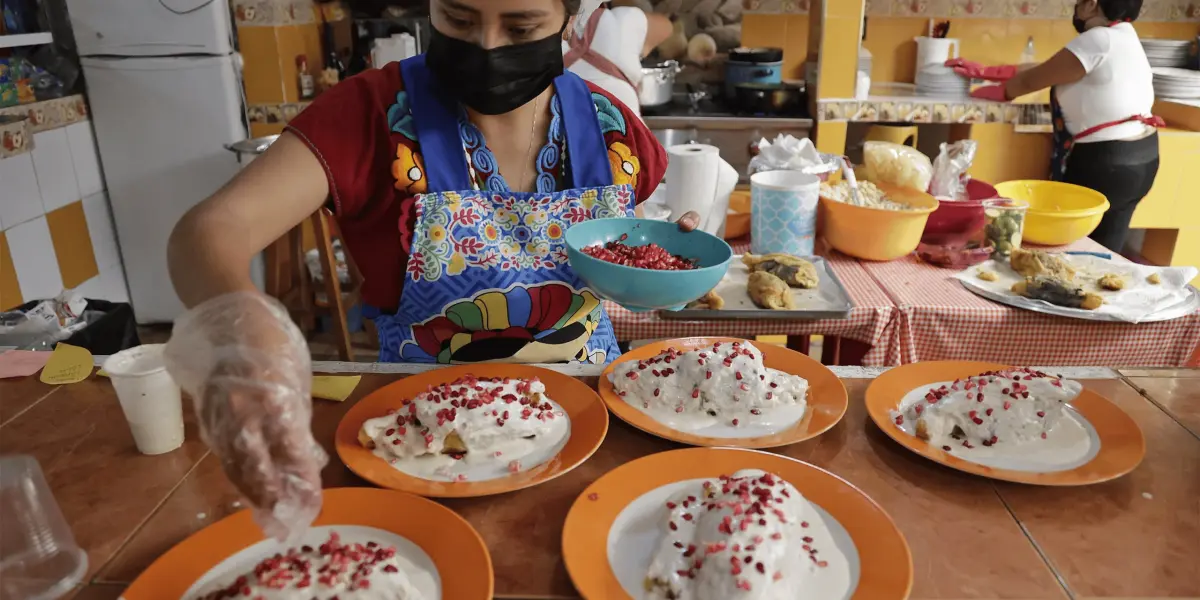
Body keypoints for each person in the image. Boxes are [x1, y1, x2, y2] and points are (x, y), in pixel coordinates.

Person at [162, 0, 695, 540]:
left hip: (587, 439)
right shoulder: (369, 115)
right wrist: (241, 328)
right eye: (458, 20)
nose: (486, 46)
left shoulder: (612, 131)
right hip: (425, 446)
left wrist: (662, 263)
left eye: (521, 26)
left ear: (570, 17)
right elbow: (206, 232)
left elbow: (621, 256)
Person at [948, 0, 1162, 253]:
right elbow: (1052, 68)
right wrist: (991, 71)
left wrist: (1002, 91)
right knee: (1106, 248)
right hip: (1141, 156)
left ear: (1092, 4)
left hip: (1106, 161)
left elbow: (1030, 81)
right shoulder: (1123, 37)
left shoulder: (1098, 39)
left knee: (1076, 247)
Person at [562, 0, 673, 117]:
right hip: (621, 132)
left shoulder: (546, 31)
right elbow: (667, 26)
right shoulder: (625, 21)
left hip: (560, 131)